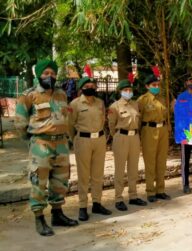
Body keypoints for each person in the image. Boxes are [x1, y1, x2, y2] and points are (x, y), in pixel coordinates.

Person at [15, 59, 79, 236]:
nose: (49, 76)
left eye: (52, 73)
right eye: (46, 73)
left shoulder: (61, 94)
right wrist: (32, 142)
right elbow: (20, 123)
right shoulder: (29, 95)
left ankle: (57, 214)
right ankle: (39, 218)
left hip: (61, 144)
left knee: (61, 181)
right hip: (41, 144)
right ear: (39, 75)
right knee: (39, 182)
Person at [69, 77, 112, 221]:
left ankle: (97, 203)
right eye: (87, 85)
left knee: (98, 174)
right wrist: (75, 139)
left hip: (99, 140)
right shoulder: (75, 104)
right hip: (83, 140)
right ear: (81, 88)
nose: (90, 87)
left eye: (92, 85)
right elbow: (70, 124)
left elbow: (103, 120)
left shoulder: (100, 103)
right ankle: (82, 206)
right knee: (83, 175)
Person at [108, 80, 148, 211]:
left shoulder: (135, 105)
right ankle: (118, 198)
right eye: (125, 90)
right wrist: (118, 137)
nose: (128, 92)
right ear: (120, 91)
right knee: (120, 169)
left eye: (130, 90)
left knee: (133, 168)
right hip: (121, 137)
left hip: (135, 137)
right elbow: (111, 126)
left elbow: (139, 121)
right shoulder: (115, 106)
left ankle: (133, 196)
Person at [138, 74, 171, 202]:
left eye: (157, 85)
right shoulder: (142, 100)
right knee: (150, 162)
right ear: (147, 86)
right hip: (149, 130)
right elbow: (138, 118)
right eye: (153, 85)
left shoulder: (162, 99)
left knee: (162, 161)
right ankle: (150, 191)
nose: (156, 87)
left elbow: (167, 114)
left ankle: (160, 190)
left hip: (162, 130)